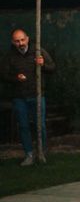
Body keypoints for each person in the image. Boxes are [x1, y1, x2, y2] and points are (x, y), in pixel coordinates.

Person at [0, 29, 56, 165]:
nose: (20, 43)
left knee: (40, 125)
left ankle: (41, 152)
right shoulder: (9, 56)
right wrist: (16, 78)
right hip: (19, 97)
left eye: (22, 40)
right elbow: (3, 75)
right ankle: (29, 155)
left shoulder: (38, 51)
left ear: (27, 38)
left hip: (37, 95)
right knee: (24, 126)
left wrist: (43, 65)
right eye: (17, 41)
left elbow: (52, 67)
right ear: (13, 42)